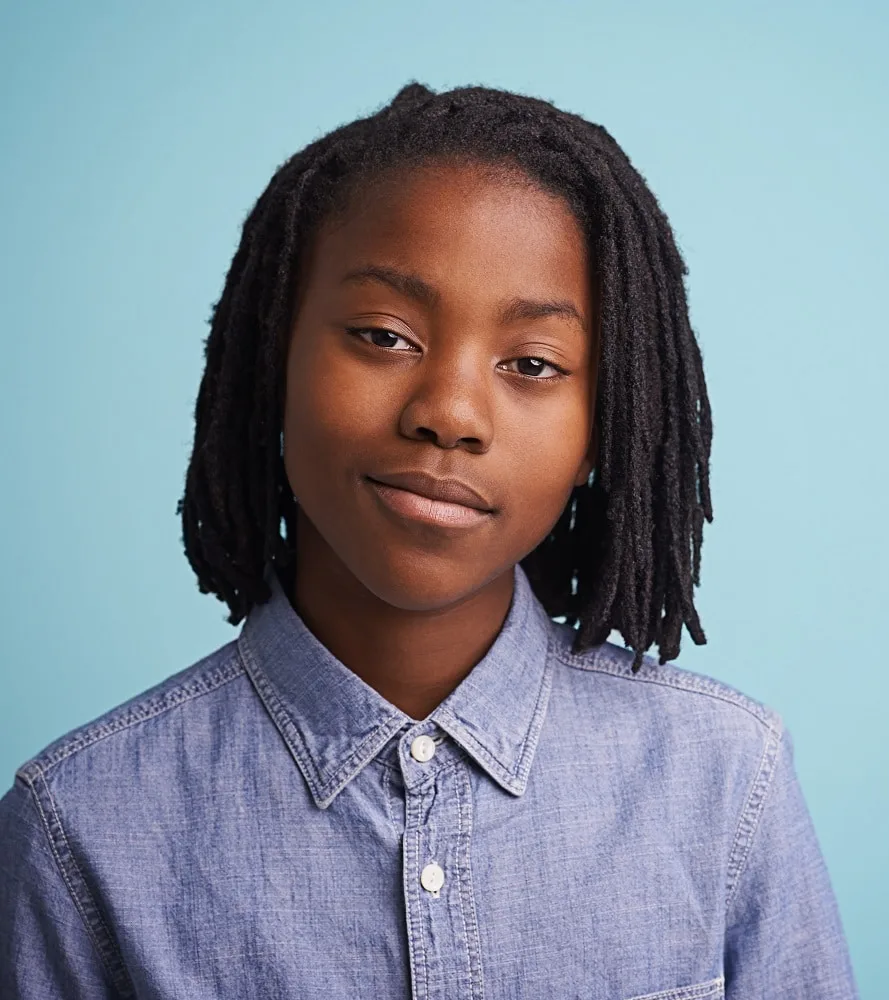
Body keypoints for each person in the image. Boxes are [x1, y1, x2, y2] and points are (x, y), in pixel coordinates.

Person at [0, 81, 858, 999]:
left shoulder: (726, 778)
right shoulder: (78, 825)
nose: (448, 413)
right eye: (382, 335)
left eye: (531, 364)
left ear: (599, 431)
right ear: (271, 363)